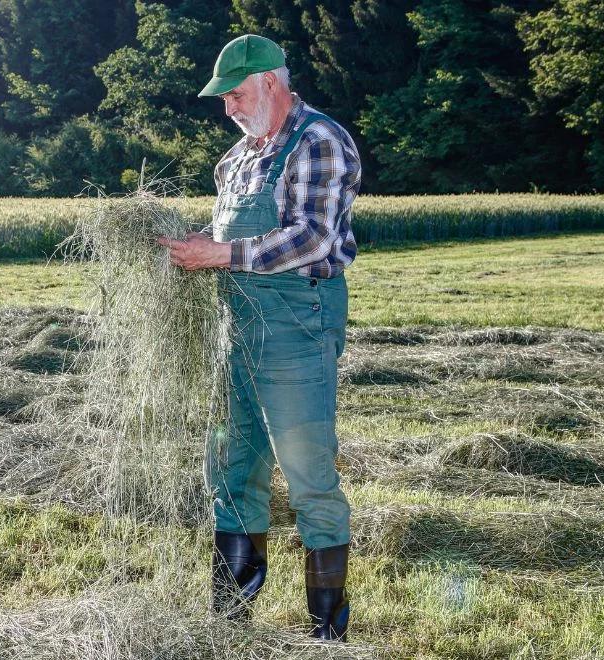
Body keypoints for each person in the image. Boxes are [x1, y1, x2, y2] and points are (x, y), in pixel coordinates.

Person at [158, 34, 361, 642]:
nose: (228, 108)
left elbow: (313, 238)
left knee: (307, 470)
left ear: (271, 82)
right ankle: (231, 616)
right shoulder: (238, 158)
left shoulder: (319, 141)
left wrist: (219, 251)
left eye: (236, 94)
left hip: (297, 323)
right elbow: (226, 234)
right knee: (230, 463)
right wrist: (187, 245)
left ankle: (327, 631)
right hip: (236, 325)